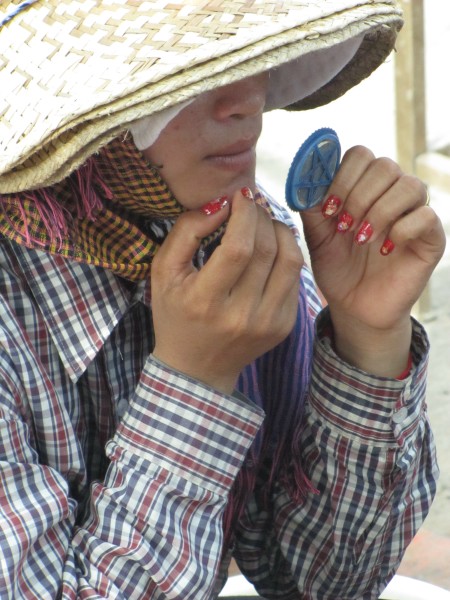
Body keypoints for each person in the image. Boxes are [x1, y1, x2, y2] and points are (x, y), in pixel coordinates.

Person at [0, 1, 446, 598]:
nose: (247, 100)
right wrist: (194, 382)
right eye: (183, 72)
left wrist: (367, 337)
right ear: (67, 94)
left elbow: (326, 581)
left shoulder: (238, 240)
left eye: (251, 57)